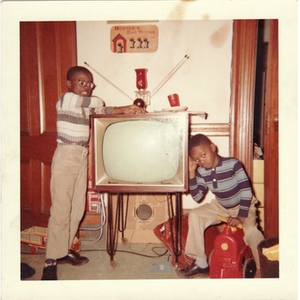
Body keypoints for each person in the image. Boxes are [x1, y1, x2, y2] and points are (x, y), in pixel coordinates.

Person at [42, 66, 145, 280]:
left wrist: (127, 109)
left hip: (81, 155)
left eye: (90, 84)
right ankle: (50, 260)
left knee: (77, 209)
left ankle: (64, 251)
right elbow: (99, 105)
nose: (87, 87)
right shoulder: (66, 100)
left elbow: (103, 112)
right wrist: (119, 106)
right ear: (69, 83)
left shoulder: (85, 106)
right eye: (81, 82)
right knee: (61, 210)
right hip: (66, 156)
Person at [178, 134, 264, 278]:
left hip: (244, 205)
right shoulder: (201, 171)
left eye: (203, 155)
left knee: (250, 231)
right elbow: (197, 197)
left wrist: (241, 216)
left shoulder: (233, 164)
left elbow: (246, 191)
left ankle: (263, 266)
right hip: (221, 206)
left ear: (213, 147)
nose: (201, 161)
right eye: (197, 160)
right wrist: (192, 173)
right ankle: (201, 263)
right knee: (195, 215)